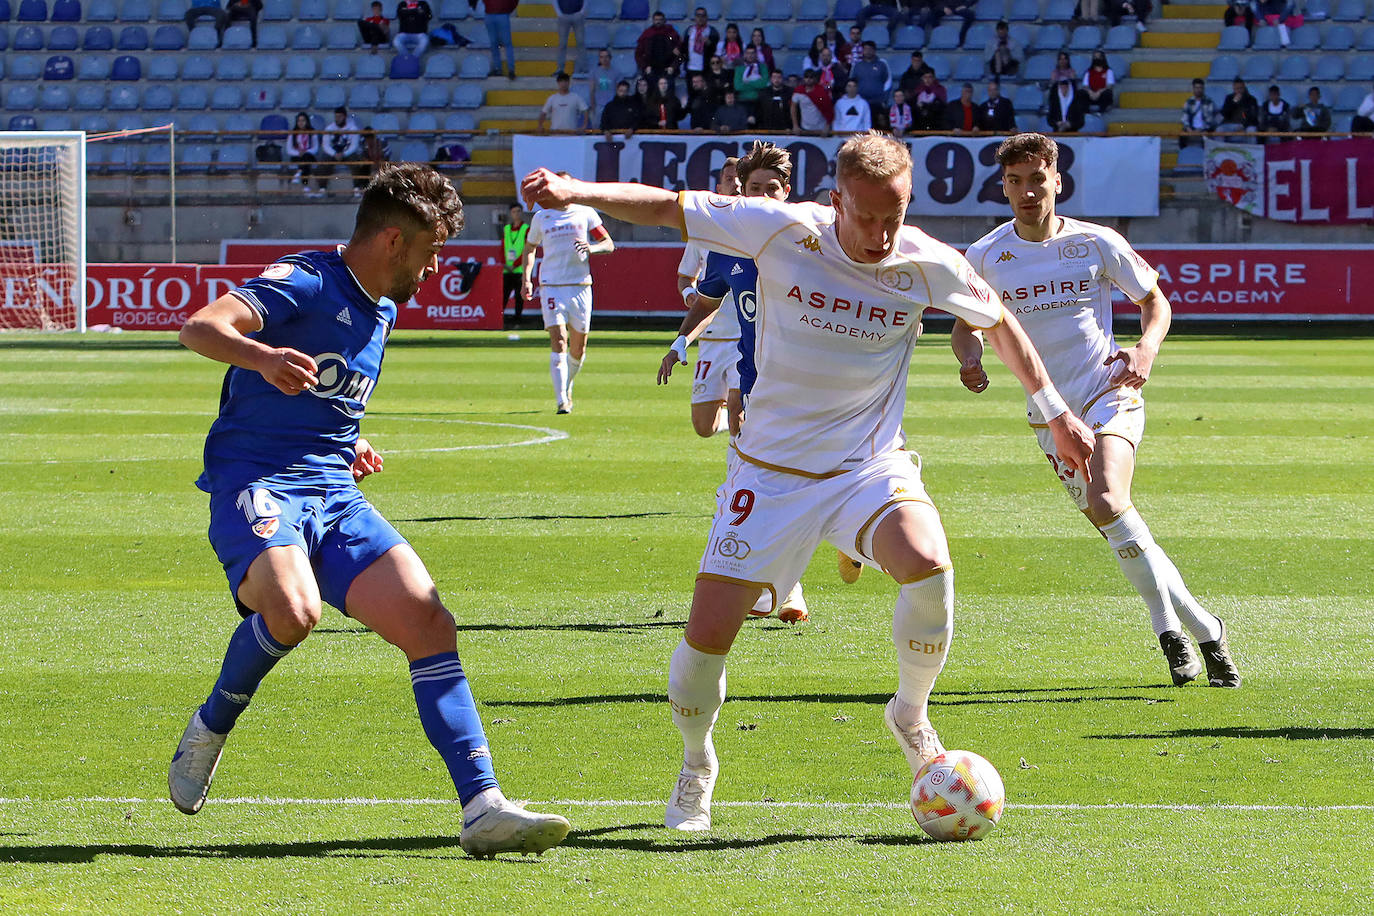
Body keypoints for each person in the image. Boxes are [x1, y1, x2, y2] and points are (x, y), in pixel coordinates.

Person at [520, 131, 1095, 832]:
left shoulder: (927, 263)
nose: (882, 234)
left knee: (930, 566)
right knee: (706, 644)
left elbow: (998, 323)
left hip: (867, 467)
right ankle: (698, 760)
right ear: (834, 202)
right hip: (769, 476)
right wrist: (576, 192)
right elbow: (667, 207)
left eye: (895, 216)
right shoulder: (781, 229)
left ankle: (910, 715)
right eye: (866, 217)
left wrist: (1056, 411)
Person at [167, 163, 572, 858]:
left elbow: (326, 400)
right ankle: (211, 725)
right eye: (430, 249)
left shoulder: (381, 310)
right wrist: (261, 358)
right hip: (258, 483)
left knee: (428, 618)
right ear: (393, 241)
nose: (435, 264)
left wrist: (350, 438)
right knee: (293, 614)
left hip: (334, 491)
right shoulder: (307, 280)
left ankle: (483, 806)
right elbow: (201, 327)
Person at [958, 132, 1241, 689]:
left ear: (1057, 182)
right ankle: (1204, 628)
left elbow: (1154, 300)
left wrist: (1145, 349)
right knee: (1119, 527)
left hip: (1108, 392)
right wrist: (969, 360)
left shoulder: (1095, 241)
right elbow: (966, 327)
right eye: (1015, 181)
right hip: (1048, 415)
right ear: (1003, 187)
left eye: (1037, 179)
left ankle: (1169, 634)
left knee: (1108, 498)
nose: (1026, 191)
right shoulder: (986, 256)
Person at [520, 175, 614, 414]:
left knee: (579, 348)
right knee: (559, 340)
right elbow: (530, 247)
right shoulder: (542, 216)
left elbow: (608, 243)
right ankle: (561, 398)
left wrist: (592, 248)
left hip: (580, 285)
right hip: (551, 284)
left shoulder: (585, 212)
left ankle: (567, 384)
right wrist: (526, 279)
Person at [322, 106, 364, 198]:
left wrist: (344, 154)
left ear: (344, 117)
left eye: (340, 117)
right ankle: (323, 188)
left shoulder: (353, 128)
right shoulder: (329, 129)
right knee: (323, 161)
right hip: (334, 153)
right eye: (336, 116)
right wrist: (334, 154)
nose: (337, 119)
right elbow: (326, 145)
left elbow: (354, 145)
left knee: (356, 161)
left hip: (347, 153)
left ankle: (357, 188)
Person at [850, 41, 893, 129]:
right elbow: (852, 82)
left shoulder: (882, 64)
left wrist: (884, 99)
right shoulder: (857, 65)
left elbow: (888, 81)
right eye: (865, 49)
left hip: (878, 103)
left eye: (870, 49)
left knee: (878, 130)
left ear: (874, 51)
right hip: (861, 103)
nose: (868, 51)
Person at [636, 10, 683, 87]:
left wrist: (673, 67)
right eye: (656, 20)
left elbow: (681, 54)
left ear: (664, 20)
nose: (658, 22)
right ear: (653, 20)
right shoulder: (647, 34)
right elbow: (638, 54)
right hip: (651, 71)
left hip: (667, 71)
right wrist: (645, 67)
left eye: (660, 20)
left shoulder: (671, 34)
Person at [502, 203, 529, 328]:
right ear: (511, 214)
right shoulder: (506, 229)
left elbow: (527, 249)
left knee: (519, 296)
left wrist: (516, 264)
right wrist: (505, 264)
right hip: (507, 270)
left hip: (519, 269)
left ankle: (518, 320)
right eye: (514, 212)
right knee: (504, 295)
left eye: (518, 211)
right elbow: (502, 248)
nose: (516, 214)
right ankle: (499, 319)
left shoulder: (526, 229)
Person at [287, 112, 325, 199]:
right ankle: (305, 186)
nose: (301, 123)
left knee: (306, 158)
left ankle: (299, 174)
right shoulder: (292, 134)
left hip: (309, 155)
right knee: (305, 162)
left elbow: (315, 148)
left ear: (307, 121)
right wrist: (298, 153)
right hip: (296, 156)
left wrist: (306, 152)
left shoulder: (312, 133)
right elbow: (289, 150)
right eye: (299, 121)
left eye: (303, 120)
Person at [682, 7, 720, 95]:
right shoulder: (689, 30)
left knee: (706, 94)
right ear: (695, 17)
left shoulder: (712, 31)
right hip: (691, 68)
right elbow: (684, 48)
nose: (700, 18)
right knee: (692, 95)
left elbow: (716, 50)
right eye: (698, 15)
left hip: (706, 69)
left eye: (703, 16)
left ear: (706, 17)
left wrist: (709, 43)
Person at [792, 68, 834, 134]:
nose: (808, 79)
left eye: (811, 77)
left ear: (815, 79)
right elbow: (793, 108)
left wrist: (827, 126)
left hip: (821, 129)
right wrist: (795, 125)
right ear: (803, 78)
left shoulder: (821, 91)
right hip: (804, 129)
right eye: (806, 77)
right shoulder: (798, 91)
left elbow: (828, 109)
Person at [483, 0, 519, 80]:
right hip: (497, 14)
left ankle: (504, 69)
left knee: (501, 43)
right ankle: (506, 69)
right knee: (498, 43)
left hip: (494, 14)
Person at [1179, 78, 1218, 147]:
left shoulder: (1209, 102)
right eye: (1196, 88)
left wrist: (1200, 130)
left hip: (1205, 129)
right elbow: (1184, 118)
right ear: (1193, 89)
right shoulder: (1189, 102)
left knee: (1207, 136)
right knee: (1182, 135)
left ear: (1203, 89)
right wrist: (1189, 130)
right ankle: (1184, 153)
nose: (1198, 90)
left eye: (1200, 88)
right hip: (1191, 128)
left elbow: (1210, 120)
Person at [553, 0, 587, 77]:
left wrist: (582, 11)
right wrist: (559, 13)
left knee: (580, 42)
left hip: (577, 15)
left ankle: (584, 68)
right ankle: (560, 69)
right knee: (562, 44)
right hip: (564, 15)